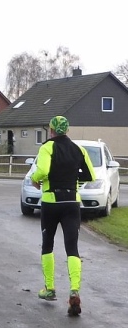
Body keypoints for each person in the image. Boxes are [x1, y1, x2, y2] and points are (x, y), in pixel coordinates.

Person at [31, 115, 96, 316]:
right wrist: (73, 180)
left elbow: (42, 170)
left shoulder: (47, 147)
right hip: (72, 203)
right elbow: (90, 175)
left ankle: (49, 289)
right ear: (67, 130)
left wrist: (35, 179)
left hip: (51, 202)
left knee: (47, 244)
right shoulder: (79, 149)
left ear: (51, 130)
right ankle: (74, 290)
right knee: (72, 247)